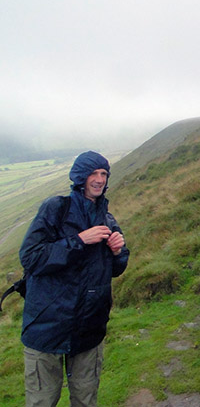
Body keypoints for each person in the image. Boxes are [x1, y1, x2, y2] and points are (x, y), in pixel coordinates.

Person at [20, 150, 129, 406]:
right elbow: (31, 257)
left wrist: (118, 252)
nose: (100, 179)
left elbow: (115, 269)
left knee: (86, 399)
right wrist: (79, 240)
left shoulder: (108, 220)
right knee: (42, 401)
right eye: (94, 173)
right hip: (47, 327)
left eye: (104, 173)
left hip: (89, 330)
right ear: (80, 176)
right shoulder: (55, 209)